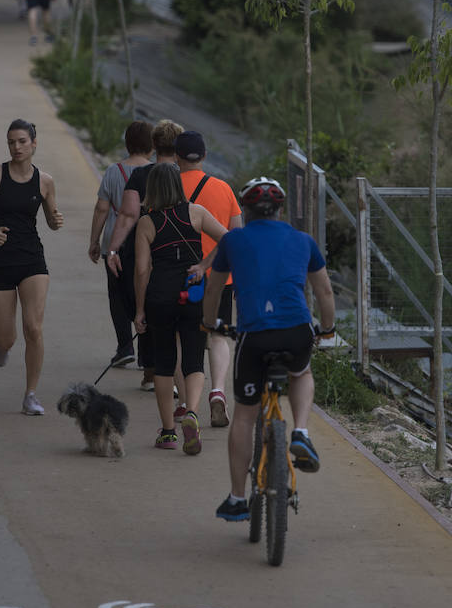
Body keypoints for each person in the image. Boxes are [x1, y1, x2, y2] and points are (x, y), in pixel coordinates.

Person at [204, 177, 337, 522]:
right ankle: (301, 432)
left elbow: (214, 290)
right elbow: (325, 292)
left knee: (246, 414)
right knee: (301, 371)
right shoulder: (303, 240)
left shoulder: (233, 241)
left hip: (255, 336)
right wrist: (327, 328)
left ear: (245, 211)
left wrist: (210, 324)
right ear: (280, 211)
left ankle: (236, 498)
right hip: (297, 331)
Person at [0, 119, 64, 416]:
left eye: (22, 141)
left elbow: (50, 218)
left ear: (34, 144)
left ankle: (30, 395)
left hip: (31, 258)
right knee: (7, 337)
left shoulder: (44, 181)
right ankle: (1, 345)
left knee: (33, 328)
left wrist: (55, 221)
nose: (17, 147)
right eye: (12, 142)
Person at [134, 163, 227, 453]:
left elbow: (141, 269)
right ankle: (192, 412)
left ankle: (168, 433)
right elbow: (229, 238)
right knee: (194, 359)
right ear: (177, 185)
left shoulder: (146, 223)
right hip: (193, 293)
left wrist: (139, 311)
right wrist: (203, 265)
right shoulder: (196, 212)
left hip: (160, 295)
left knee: (163, 362)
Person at [105, 119, 183, 392]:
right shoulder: (185, 176)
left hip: (144, 248)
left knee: (147, 308)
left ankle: (151, 372)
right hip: (178, 253)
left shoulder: (141, 176)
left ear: (154, 145)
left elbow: (127, 216)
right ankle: (176, 377)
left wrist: (113, 249)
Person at [173, 131, 242, 429]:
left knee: (179, 337)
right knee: (218, 335)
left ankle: (186, 403)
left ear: (176, 157)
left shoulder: (167, 188)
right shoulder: (223, 189)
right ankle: (218, 392)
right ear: (203, 156)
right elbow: (236, 236)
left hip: (178, 275)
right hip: (218, 278)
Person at [88, 120, 154, 369]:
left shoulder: (114, 171)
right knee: (144, 293)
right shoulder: (156, 172)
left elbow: (101, 208)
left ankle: (124, 346)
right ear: (152, 146)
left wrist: (94, 241)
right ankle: (147, 352)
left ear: (127, 144)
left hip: (114, 241)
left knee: (117, 295)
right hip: (146, 242)